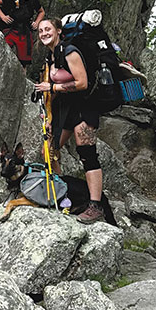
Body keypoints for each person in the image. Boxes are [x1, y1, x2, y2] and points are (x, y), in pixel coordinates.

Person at [34, 17, 106, 223]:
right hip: (65, 110)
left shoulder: (70, 51)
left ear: (58, 31)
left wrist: (53, 87)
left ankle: (95, 206)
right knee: (48, 150)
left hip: (85, 107)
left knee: (87, 154)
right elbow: (52, 94)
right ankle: (61, 195)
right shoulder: (51, 57)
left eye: (48, 29)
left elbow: (82, 82)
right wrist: (49, 118)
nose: (44, 33)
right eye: (40, 31)